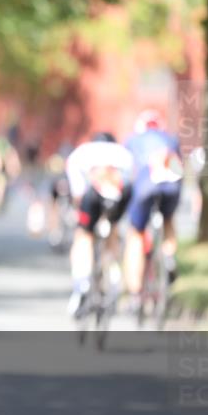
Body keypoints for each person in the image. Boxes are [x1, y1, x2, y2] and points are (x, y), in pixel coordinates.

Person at [64, 132, 134, 317]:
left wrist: (80, 214)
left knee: (83, 236)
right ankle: (114, 274)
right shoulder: (123, 152)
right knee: (114, 229)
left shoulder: (82, 153)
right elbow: (129, 181)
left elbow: (78, 192)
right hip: (120, 195)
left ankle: (82, 283)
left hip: (94, 194)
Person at [123, 110, 184, 303]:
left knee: (136, 233)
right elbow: (179, 167)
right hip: (172, 185)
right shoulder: (171, 139)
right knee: (168, 220)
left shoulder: (133, 140)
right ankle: (169, 256)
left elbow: (127, 172)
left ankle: (134, 291)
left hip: (146, 185)